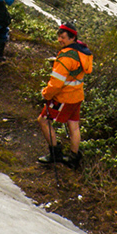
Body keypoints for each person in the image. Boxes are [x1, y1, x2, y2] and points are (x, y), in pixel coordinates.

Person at [37, 21, 93, 170]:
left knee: (43, 121)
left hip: (63, 98)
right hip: (77, 96)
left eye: (63, 37)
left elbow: (56, 83)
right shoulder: (83, 52)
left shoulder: (66, 57)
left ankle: (55, 154)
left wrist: (46, 94)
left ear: (72, 38)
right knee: (73, 126)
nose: (60, 40)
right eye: (59, 37)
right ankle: (73, 158)